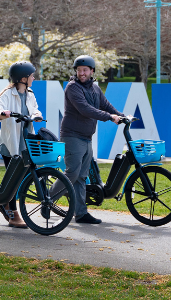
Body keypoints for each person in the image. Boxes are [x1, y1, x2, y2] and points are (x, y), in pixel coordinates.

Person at [60, 55, 122, 224]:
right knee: (72, 173)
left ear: (92, 71)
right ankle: (47, 199)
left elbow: (105, 104)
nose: (81, 73)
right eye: (79, 70)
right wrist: (109, 117)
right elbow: (85, 109)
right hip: (72, 135)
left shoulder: (95, 88)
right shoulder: (72, 88)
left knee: (81, 176)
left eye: (85, 70)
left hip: (86, 137)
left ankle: (80, 214)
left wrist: (121, 116)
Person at [0, 61, 43, 229]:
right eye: (31, 75)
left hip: (25, 141)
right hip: (10, 142)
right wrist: (2, 114)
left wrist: (36, 114)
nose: (33, 78)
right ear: (23, 78)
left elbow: (35, 108)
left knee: (21, 178)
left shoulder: (30, 94)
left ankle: (4, 203)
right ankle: (13, 213)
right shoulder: (7, 94)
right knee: (13, 180)